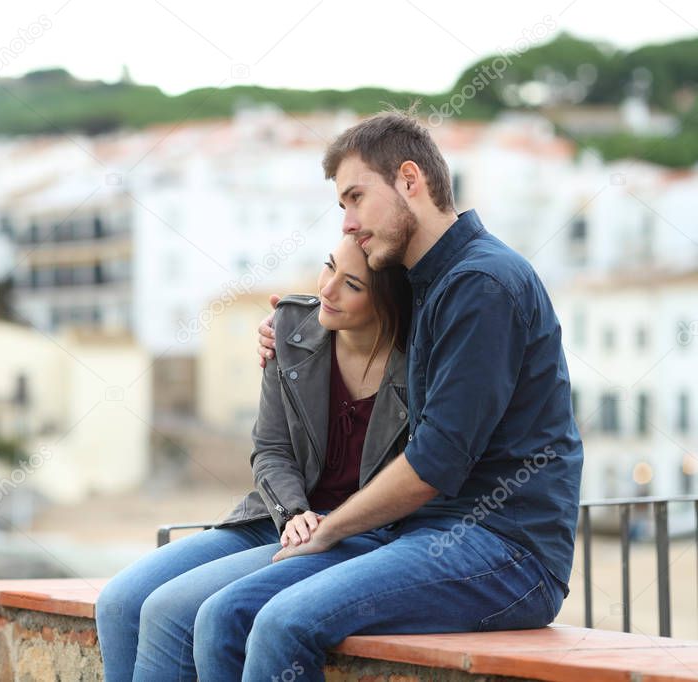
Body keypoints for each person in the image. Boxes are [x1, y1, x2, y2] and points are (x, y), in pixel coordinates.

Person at [221, 110, 583, 681]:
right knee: (229, 612)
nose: (347, 223)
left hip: (506, 553)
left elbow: (434, 463)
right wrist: (287, 330)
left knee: (279, 623)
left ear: (409, 180)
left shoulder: (481, 285)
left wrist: (330, 528)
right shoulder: (429, 283)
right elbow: (357, 316)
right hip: (419, 535)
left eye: (356, 198)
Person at [95, 234, 413, 680]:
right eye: (328, 267)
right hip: (276, 516)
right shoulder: (292, 329)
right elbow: (271, 450)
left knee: (172, 611)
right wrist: (293, 511)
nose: (327, 288)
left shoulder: (422, 363)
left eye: (352, 285)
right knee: (120, 601)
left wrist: (324, 524)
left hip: (358, 535)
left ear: (389, 304)